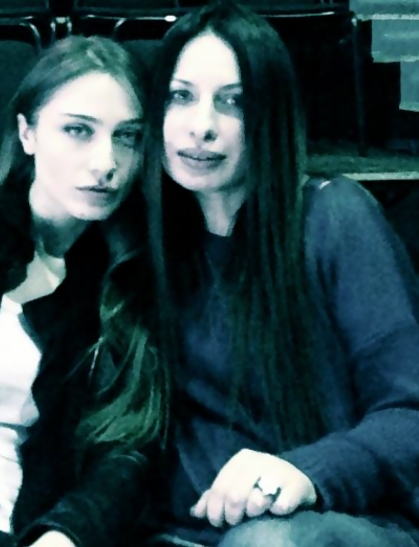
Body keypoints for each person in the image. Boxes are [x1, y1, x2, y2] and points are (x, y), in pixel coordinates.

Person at [142, 2, 419, 546]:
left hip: (339, 522)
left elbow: (411, 414)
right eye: (181, 96)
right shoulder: (149, 245)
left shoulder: (333, 218)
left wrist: (306, 471)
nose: (202, 127)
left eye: (234, 103)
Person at [0, 35, 168, 547]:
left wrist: (68, 533)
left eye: (128, 137)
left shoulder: (129, 285)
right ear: (27, 133)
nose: (106, 162)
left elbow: (129, 449)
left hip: (6, 525)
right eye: (78, 130)